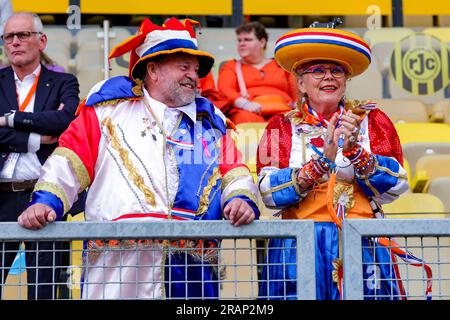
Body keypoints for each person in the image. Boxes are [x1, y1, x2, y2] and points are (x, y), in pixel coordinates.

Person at [18, 17, 259, 300]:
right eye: (183, 66)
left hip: (190, 272)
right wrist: (46, 201)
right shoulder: (107, 111)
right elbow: (69, 161)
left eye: (195, 69)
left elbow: (235, 172)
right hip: (118, 271)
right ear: (152, 69)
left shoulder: (210, 123)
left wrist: (240, 199)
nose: (193, 75)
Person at [256, 26, 411, 300]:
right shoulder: (280, 126)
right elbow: (268, 192)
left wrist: (357, 154)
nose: (328, 76)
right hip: (299, 245)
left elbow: (398, 183)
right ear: (301, 83)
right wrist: (319, 164)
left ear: (346, 80)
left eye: (337, 70)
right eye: (317, 70)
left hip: (361, 241)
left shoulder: (372, 121)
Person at [0, 12, 81, 299]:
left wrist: (9, 120)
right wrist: (37, 136)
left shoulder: (64, 83)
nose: (15, 43)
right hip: (2, 197)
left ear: (41, 40)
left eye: (23, 35)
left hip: (44, 197)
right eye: (9, 37)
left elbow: (65, 123)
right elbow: (51, 126)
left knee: (44, 291)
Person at [218, 21, 298, 125]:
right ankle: (260, 141)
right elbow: (225, 90)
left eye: (247, 40)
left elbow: (297, 90)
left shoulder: (282, 65)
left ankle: (273, 141)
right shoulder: (231, 66)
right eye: (239, 40)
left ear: (262, 42)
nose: (242, 43)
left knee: (285, 122)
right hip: (248, 112)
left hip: (282, 110)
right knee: (244, 120)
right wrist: (244, 104)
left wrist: (299, 105)